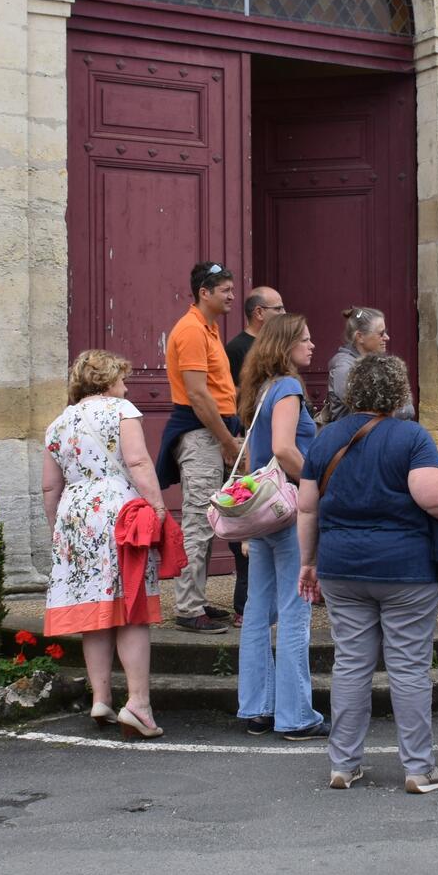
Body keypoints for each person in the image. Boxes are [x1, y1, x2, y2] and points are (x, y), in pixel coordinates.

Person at [297, 354, 438, 794]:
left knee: (350, 664)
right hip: (404, 567)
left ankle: (343, 764)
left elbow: (307, 507)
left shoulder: (326, 438)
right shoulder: (411, 437)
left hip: (341, 565)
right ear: (399, 391)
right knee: (408, 667)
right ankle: (418, 768)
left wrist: (308, 562)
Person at [42, 350, 167, 737]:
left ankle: (101, 698)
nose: (126, 386)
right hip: (117, 511)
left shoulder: (58, 423)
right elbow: (139, 463)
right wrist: (159, 506)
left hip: (74, 513)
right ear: (110, 380)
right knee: (131, 606)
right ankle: (139, 704)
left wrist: (57, 529)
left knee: (92, 608)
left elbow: (50, 485)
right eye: (122, 379)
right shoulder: (121, 410)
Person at [234, 313, 328, 740]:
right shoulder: (288, 387)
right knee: (294, 611)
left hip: (263, 509)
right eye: (305, 340)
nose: (312, 345)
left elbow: (257, 459)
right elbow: (283, 449)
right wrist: (318, 481)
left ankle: (258, 708)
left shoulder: (260, 389)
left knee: (257, 610)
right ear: (286, 345)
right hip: (290, 509)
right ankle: (295, 715)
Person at [154, 262, 242, 634]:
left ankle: (196, 599)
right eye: (224, 290)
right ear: (204, 293)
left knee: (206, 520)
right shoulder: (191, 330)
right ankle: (189, 608)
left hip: (211, 432)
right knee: (198, 522)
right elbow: (197, 395)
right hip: (202, 434)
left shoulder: (208, 328)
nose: (232, 296)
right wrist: (226, 441)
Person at [223, 286, 284, 628]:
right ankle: (244, 604)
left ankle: (262, 603)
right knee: (246, 518)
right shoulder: (237, 348)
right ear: (260, 312)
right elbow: (230, 394)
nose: (283, 312)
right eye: (278, 308)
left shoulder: (270, 348)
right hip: (246, 440)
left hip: (264, 438)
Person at [322, 306, 415, 424]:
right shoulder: (343, 368)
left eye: (385, 332)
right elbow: (365, 411)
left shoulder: (379, 362)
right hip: (354, 439)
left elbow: (408, 408)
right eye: (381, 333)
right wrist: (397, 409)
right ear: (360, 337)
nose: (387, 338)